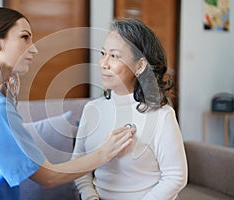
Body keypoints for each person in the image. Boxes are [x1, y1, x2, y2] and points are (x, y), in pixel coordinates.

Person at [0, 7, 135, 199]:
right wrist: (104, 152)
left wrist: (8, 99)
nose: (34, 49)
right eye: (24, 37)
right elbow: (49, 176)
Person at [72, 18, 187, 200]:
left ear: (140, 66)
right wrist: (90, 197)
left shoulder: (161, 115)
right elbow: (78, 163)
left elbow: (176, 177)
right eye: (103, 53)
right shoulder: (92, 109)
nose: (103, 63)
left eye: (114, 56)